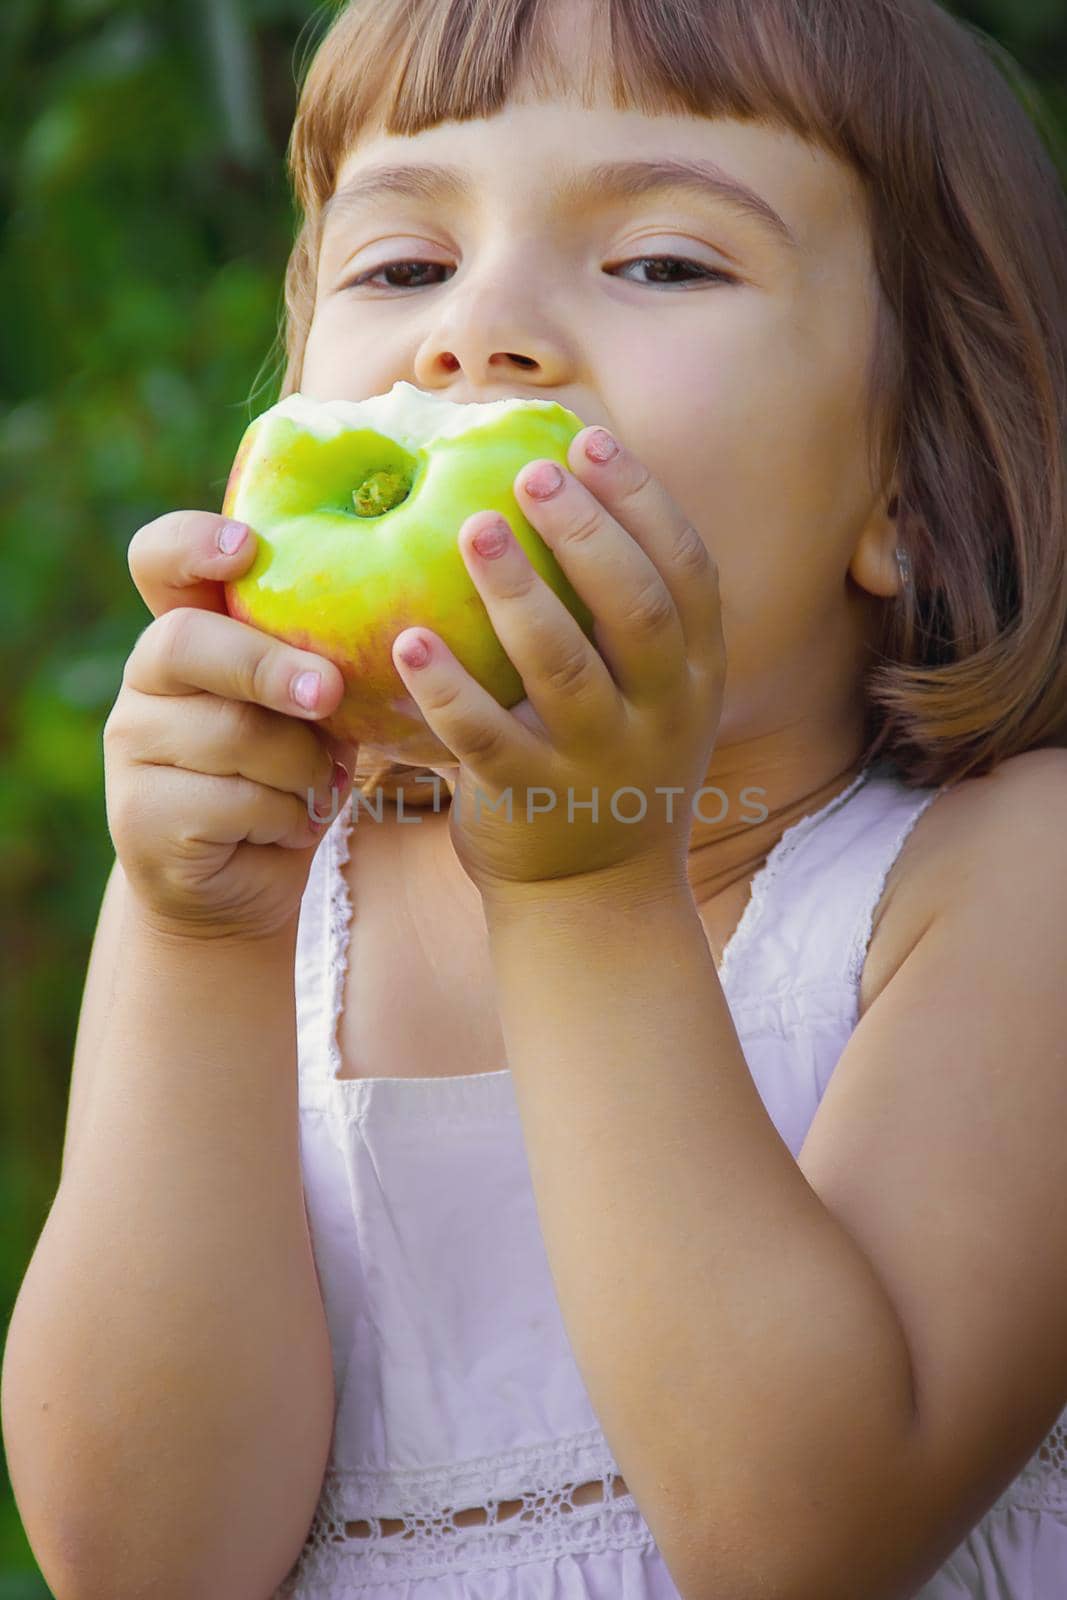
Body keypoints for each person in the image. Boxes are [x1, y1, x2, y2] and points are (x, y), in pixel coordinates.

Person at [3, 0, 1066, 1596]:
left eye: (660, 263)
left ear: (908, 482)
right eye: (403, 267)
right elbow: (147, 1560)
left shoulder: (1004, 877)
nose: (475, 335)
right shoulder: (282, 913)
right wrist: (199, 939)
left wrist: (583, 883)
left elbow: (806, 1542)